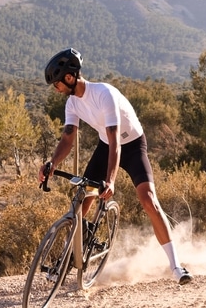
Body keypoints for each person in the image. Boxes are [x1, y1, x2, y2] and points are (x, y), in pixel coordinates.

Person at [38, 47, 192, 285]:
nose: (56, 89)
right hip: (105, 146)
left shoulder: (104, 94)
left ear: (69, 78)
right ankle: (69, 257)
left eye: (57, 83)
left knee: (148, 199)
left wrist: (110, 181)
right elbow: (68, 139)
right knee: (82, 202)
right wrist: (52, 162)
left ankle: (176, 266)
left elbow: (115, 141)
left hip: (131, 145)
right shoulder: (71, 104)